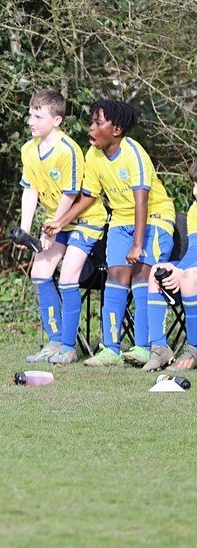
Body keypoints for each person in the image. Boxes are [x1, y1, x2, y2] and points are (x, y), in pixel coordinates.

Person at [45, 100, 175, 368]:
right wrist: (60, 222)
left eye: (97, 123)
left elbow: (142, 202)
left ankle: (143, 346)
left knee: (142, 274)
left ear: (116, 129)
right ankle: (111, 349)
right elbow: (89, 197)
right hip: (120, 220)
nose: (91, 128)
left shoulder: (134, 154)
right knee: (115, 278)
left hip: (154, 218)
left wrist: (138, 245)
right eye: (91, 122)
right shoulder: (93, 156)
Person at [16, 90, 107, 365]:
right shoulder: (28, 150)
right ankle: (54, 342)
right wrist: (25, 231)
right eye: (30, 114)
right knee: (40, 273)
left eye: (38, 116)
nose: (30, 121)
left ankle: (68, 348)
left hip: (85, 221)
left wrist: (52, 228)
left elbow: (70, 195)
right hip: (55, 222)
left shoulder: (69, 150)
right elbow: (30, 192)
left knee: (68, 277)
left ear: (56, 120)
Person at [146, 160, 197, 370]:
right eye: (194, 184)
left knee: (188, 276)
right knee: (156, 271)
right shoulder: (195, 210)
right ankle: (159, 349)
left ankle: (193, 349)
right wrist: (177, 269)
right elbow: (194, 248)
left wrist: (183, 271)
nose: (195, 191)